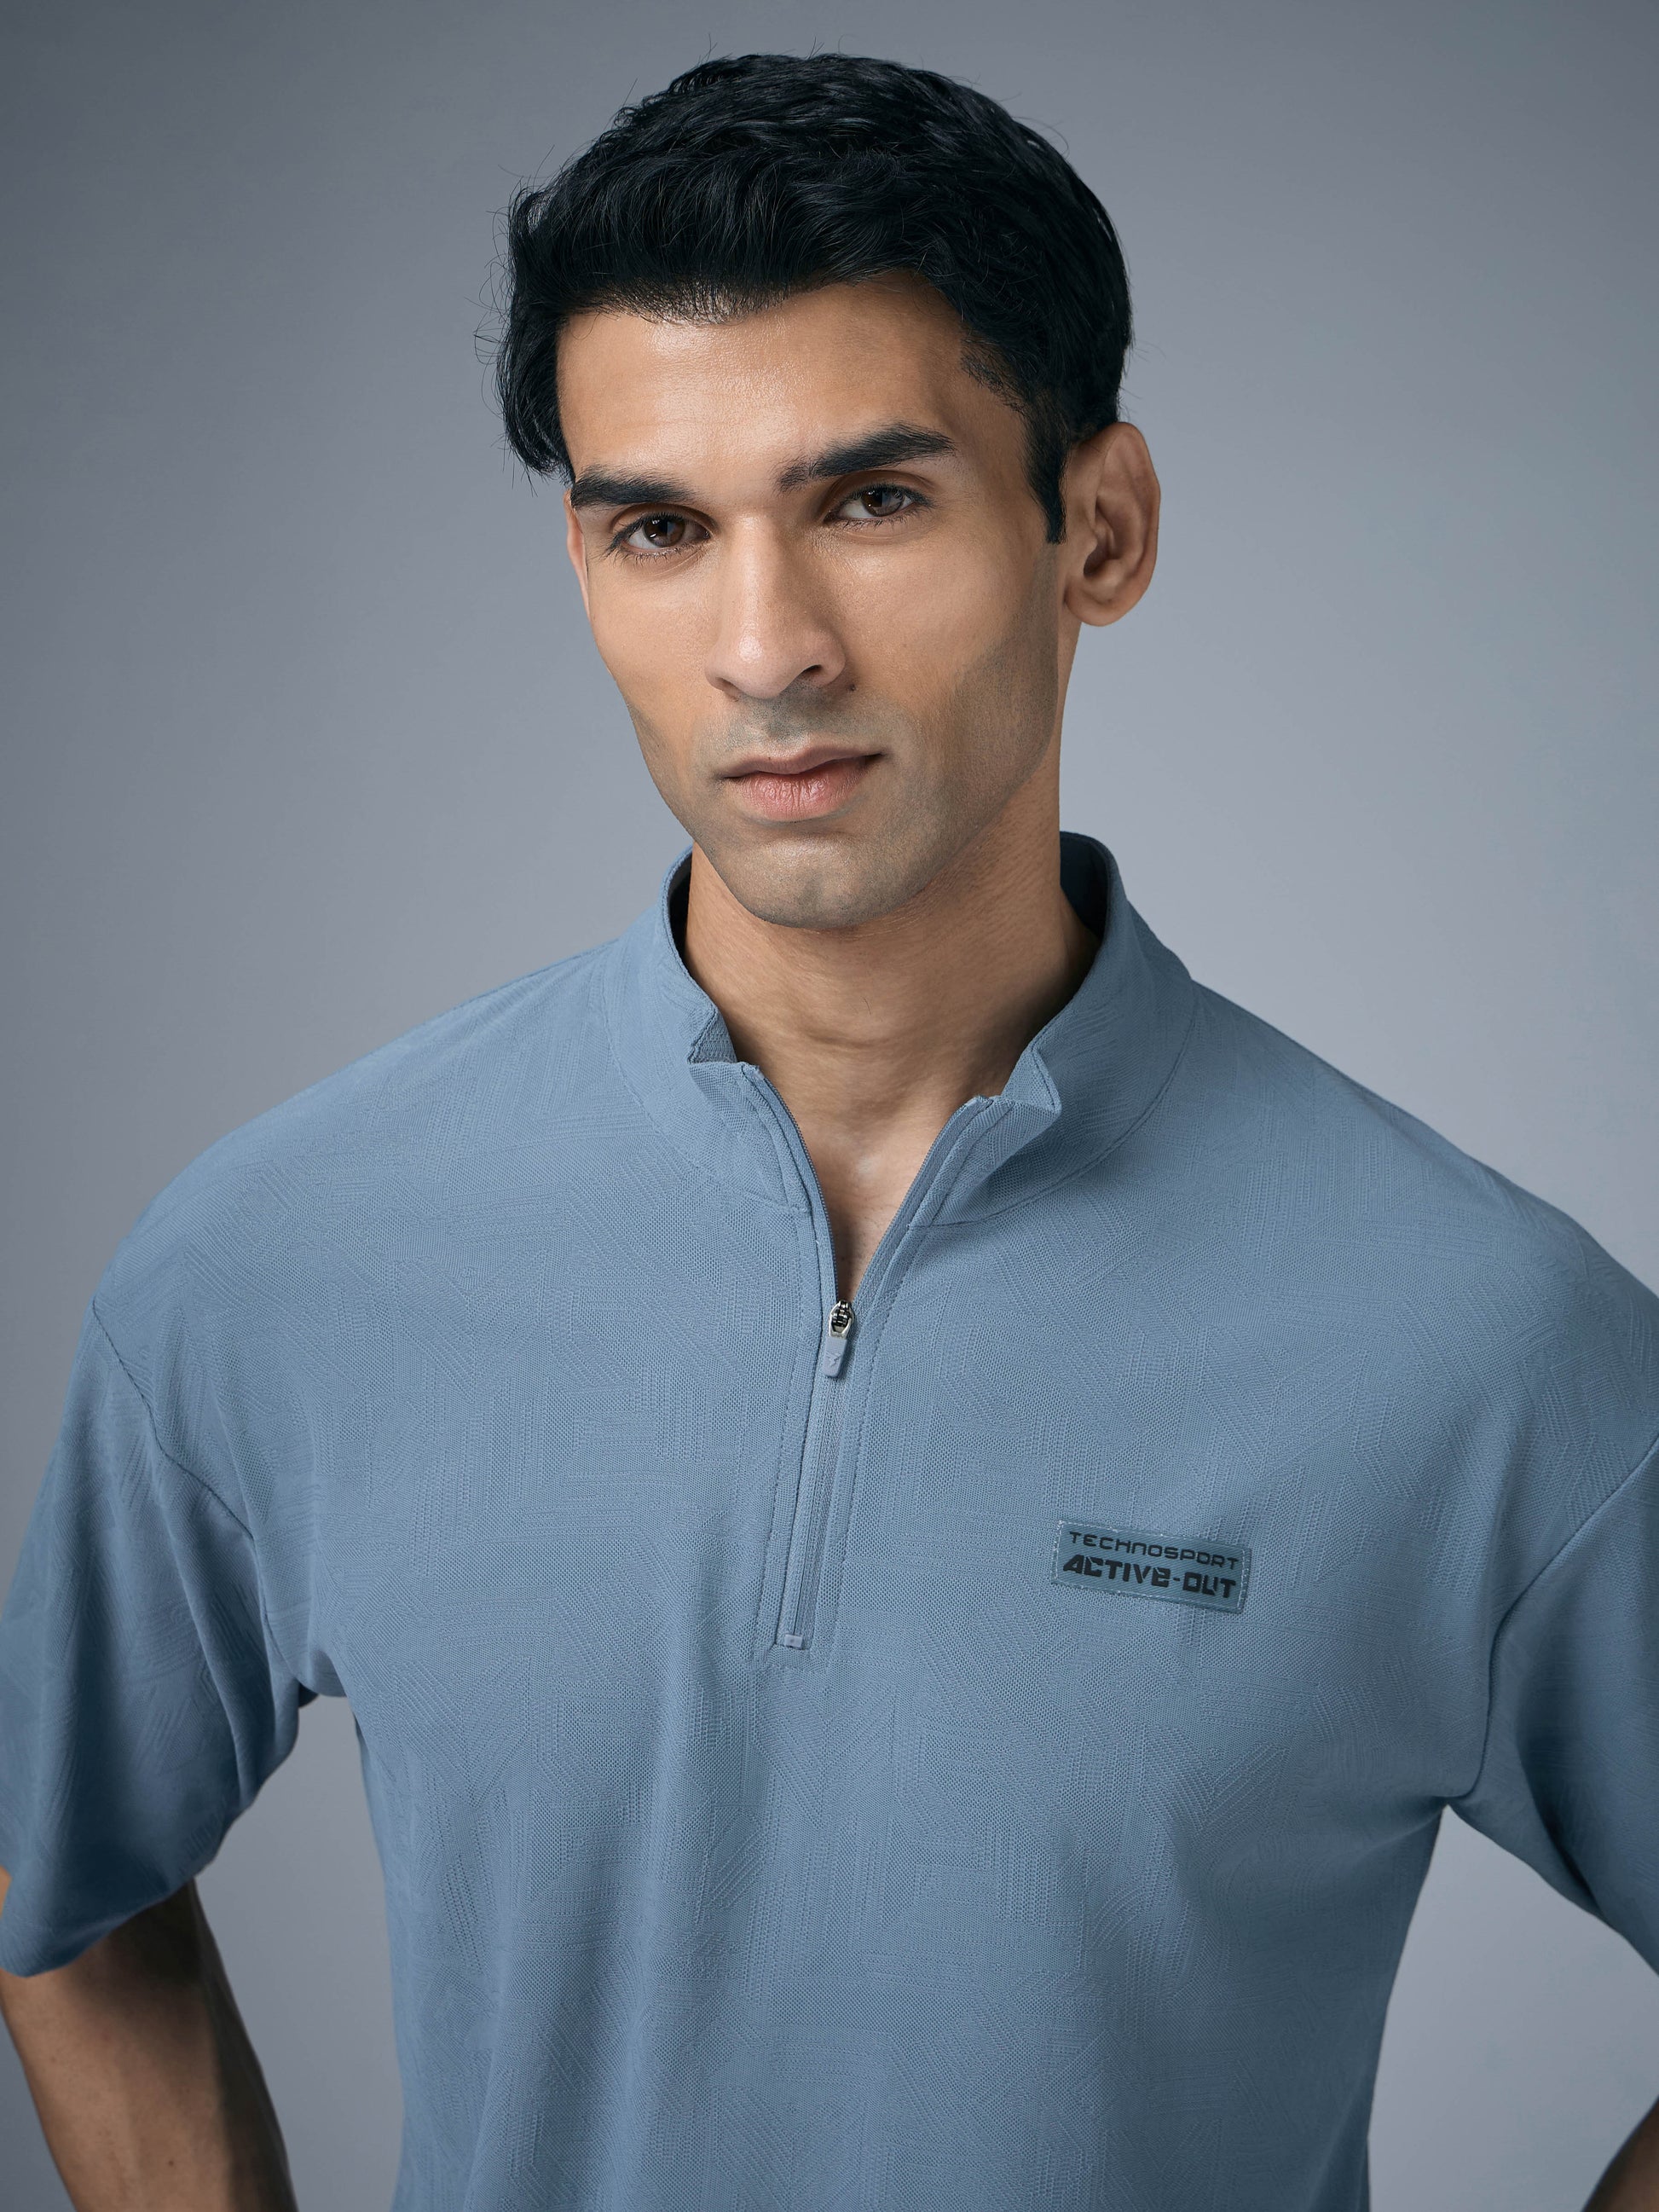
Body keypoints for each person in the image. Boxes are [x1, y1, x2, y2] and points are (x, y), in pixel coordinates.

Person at [0, 48, 1655, 2212]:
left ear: (1098, 530)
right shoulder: (274, 1261)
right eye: (659, 530)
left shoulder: (1480, 1339)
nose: (763, 648)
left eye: (871, 501)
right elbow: (60, 1874)